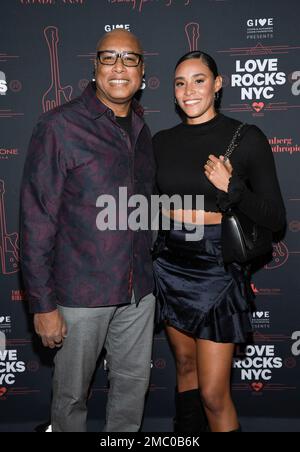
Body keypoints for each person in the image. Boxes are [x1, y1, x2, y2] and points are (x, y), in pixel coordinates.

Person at [21, 30, 156, 432]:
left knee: (132, 395)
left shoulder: (141, 129)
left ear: (142, 71)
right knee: (70, 400)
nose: (119, 67)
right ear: (94, 67)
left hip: (138, 294)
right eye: (108, 58)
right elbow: (36, 220)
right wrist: (43, 306)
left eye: (129, 59)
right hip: (79, 296)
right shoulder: (60, 126)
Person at [152, 51, 286, 433]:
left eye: (198, 80)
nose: (188, 90)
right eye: (180, 82)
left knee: (213, 393)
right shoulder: (161, 142)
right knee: (185, 367)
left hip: (217, 266)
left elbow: (276, 219)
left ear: (218, 83)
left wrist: (233, 189)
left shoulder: (246, 138)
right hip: (170, 261)